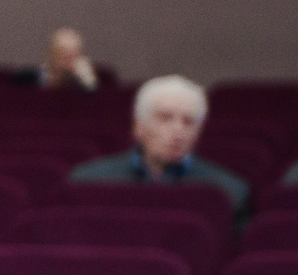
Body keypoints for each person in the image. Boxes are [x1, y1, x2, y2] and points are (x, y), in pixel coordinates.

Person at [71, 76, 250, 217]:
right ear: (138, 127)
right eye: (165, 118)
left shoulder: (228, 191)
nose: (178, 131)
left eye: (188, 122)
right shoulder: (89, 182)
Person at [17, 27, 102, 91]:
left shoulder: (80, 85)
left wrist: (88, 80)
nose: (70, 63)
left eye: (75, 57)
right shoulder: (27, 79)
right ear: (52, 55)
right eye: (66, 57)